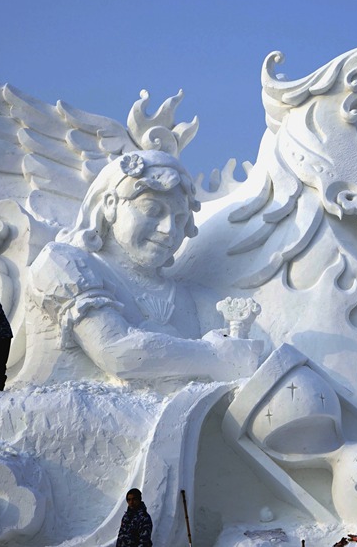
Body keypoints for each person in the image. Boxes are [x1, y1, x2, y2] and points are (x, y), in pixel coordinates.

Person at [20, 150, 264, 385]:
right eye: (152, 210)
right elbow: (115, 351)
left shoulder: (198, 303)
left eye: (180, 219)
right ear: (111, 205)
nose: (169, 229)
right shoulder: (62, 263)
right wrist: (215, 356)